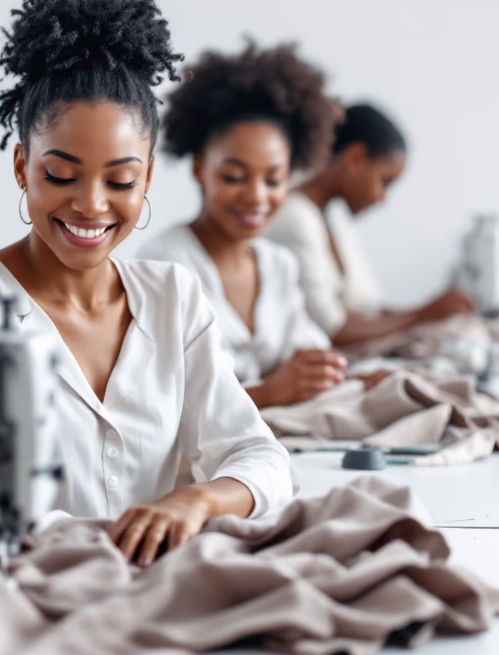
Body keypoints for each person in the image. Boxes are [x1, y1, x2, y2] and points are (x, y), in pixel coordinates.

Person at [0, 0, 294, 567]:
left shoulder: (173, 297)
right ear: (22, 167)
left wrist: (195, 501)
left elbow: (261, 458)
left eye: (120, 181)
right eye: (61, 175)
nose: (91, 205)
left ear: (147, 178)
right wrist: (121, 544)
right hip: (32, 585)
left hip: (158, 583)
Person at [139, 42, 346, 407]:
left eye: (274, 180)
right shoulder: (164, 264)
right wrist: (268, 393)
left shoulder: (278, 264)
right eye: (234, 177)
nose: (256, 196)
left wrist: (340, 372)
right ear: (200, 169)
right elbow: (161, 399)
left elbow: (309, 352)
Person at [266, 103, 474, 346]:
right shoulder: (293, 218)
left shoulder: (333, 219)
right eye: (385, 182)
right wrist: (424, 314)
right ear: (354, 158)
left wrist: (434, 311)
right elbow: (333, 330)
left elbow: (368, 308)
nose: (383, 198)